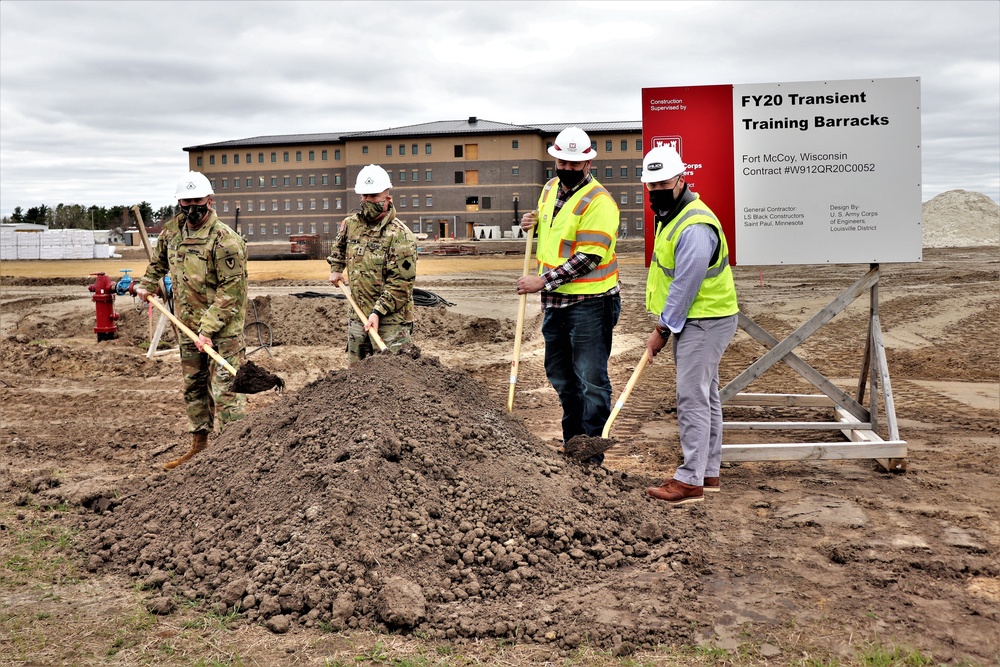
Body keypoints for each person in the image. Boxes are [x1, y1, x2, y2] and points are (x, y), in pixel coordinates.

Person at [640, 146, 740, 506]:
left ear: (681, 180)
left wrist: (661, 331)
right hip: (701, 318)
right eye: (650, 185)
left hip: (705, 320)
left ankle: (689, 480)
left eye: (663, 182)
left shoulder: (694, 226)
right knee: (706, 395)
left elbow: (685, 285)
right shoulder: (671, 214)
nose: (656, 190)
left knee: (692, 397)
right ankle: (707, 471)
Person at [516, 127, 621, 463]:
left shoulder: (599, 201)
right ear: (556, 160)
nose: (570, 168)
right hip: (557, 304)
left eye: (577, 163)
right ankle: (572, 445)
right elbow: (555, 232)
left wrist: (541, 281)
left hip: (590, 303)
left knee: (591, 380)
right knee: (561, 376)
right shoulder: (549, 189)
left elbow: (588, 257)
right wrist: (532, 222)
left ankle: (590, 455)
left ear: (588, 163)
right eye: (564, 162)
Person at [135, 171, 248, 470]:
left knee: (227, 391)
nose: (192, 207)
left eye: (197, 201)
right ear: (179, 202)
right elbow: (158, 261)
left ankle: (237, 455)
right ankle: (199, 447)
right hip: (187, 327)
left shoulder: (225, 241)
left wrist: (207, 330)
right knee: (194, 388)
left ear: (209, 201)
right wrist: (147, 283)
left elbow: (231, 293)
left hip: (222, 333)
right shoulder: (173, 231)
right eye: (186, 201)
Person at [328, 164, 417, 366]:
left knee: (393, 375)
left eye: (374, 196)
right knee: (357, 377)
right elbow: (339, 247)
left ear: (388, 198)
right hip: (358, 315)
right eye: (364, 196)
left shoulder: (401, 235)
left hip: (390, 321)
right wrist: (336, 268)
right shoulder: (351, 225)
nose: (368, 201)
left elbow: (401, 285)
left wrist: (377, 312)